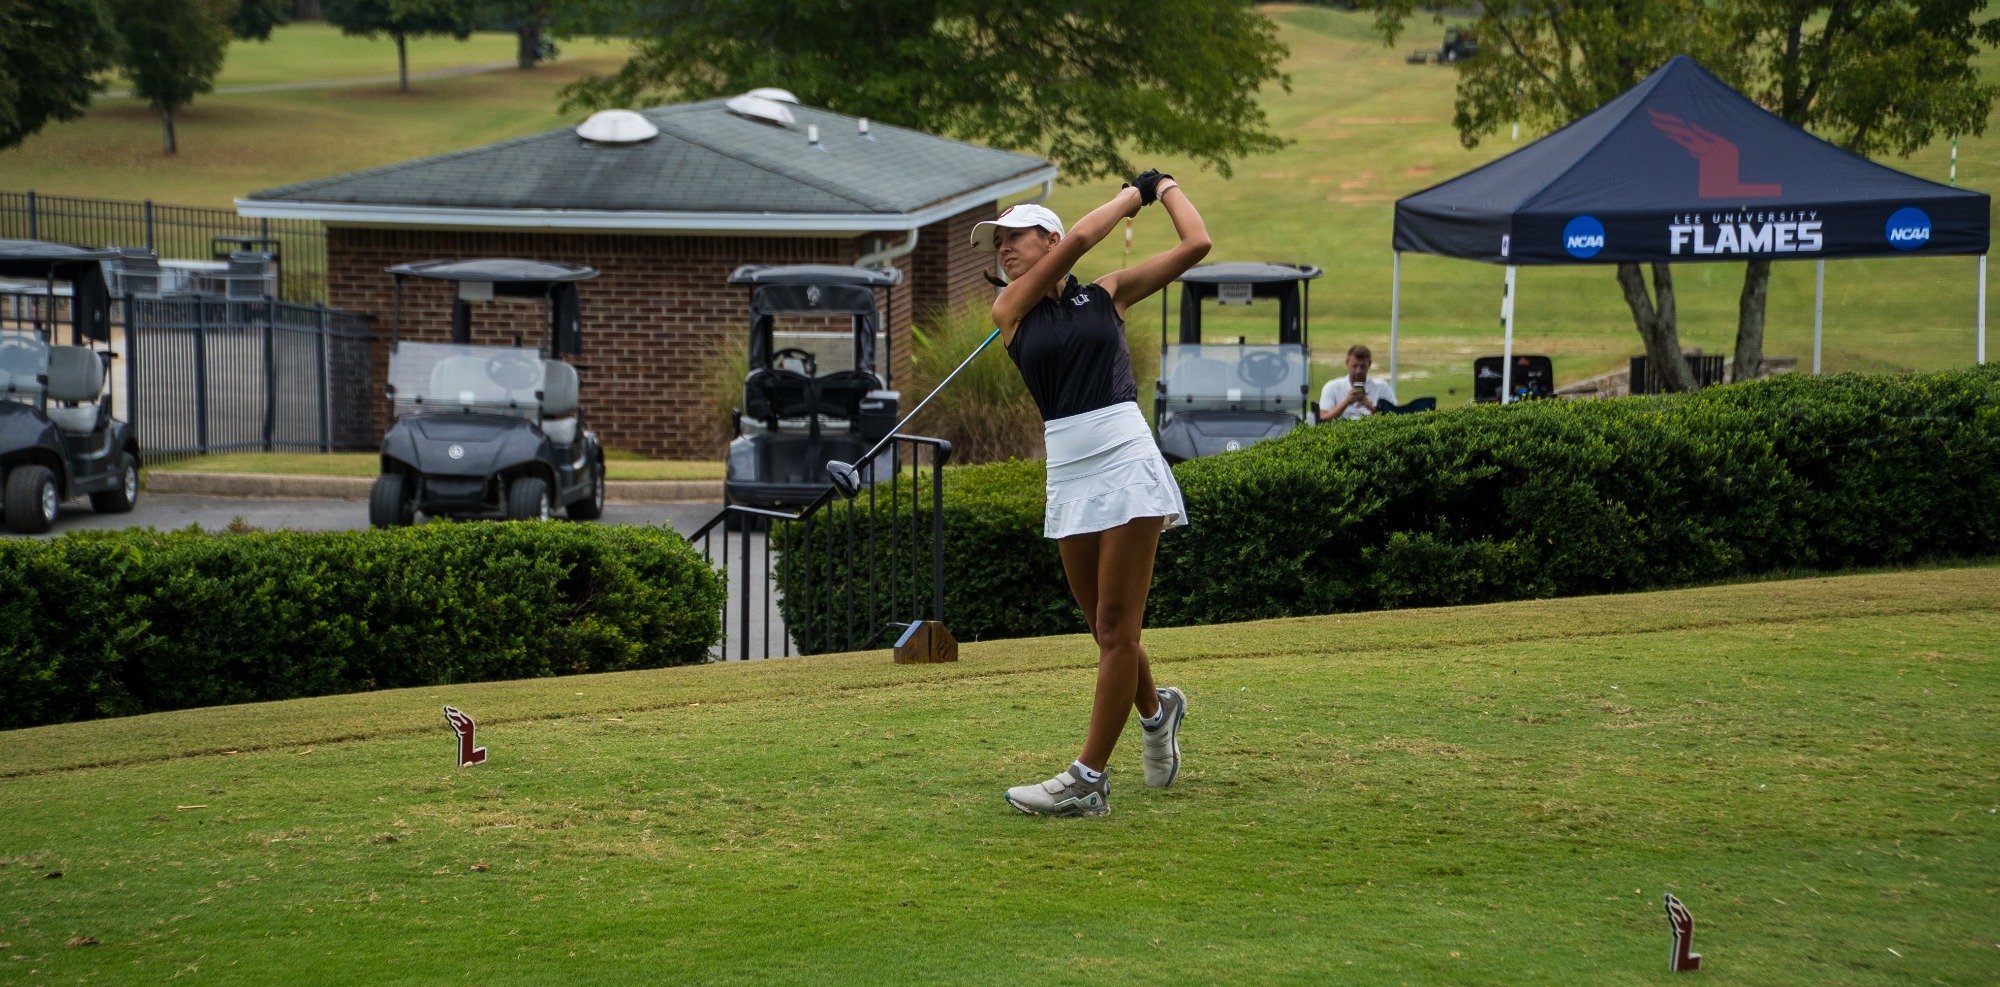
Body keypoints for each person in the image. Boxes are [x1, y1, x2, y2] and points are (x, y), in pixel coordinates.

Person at [978, 171, 1209, 817]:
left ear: (1043, 237)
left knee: (1114, 626)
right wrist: (1130, 194)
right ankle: (1158, 711)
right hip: (1070, 472)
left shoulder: (1106, 295)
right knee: (1105, 627)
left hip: (1127, 457)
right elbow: (1082, 233)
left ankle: (1087, 779)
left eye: (1013, 236)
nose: (1003, 249)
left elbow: (1197, 243)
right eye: (997, 243)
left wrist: (1165, 188)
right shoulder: (1009, 312)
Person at [1317, 344, 1397, 421]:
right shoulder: (1332, 387)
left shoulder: (1382, 387)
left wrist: (1370, 407)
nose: (1358, 371)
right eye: (1354, 366)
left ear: (1369, 364)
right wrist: (1346, 402)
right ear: (1347, 363)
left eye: (1362, 366)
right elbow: (1323, 419)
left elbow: (1395, 417)